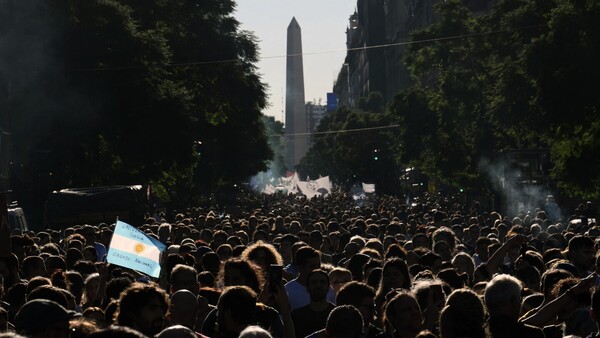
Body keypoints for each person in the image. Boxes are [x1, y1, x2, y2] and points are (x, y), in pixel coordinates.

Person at [291, 269, 335, 338]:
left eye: (322, 282)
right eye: (313, 282)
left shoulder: (336, 315)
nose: (318, 285)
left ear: (328, 287)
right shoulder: (296, 316)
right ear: (307, 288)